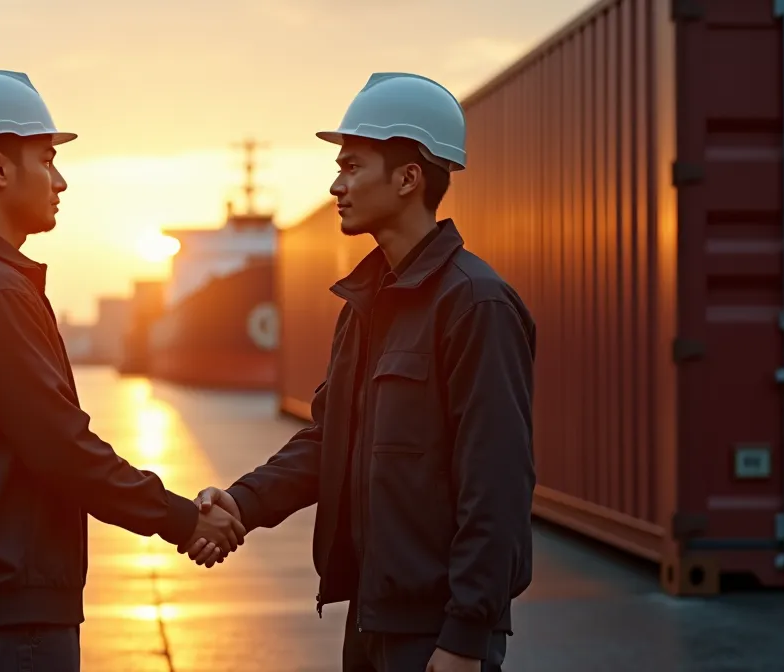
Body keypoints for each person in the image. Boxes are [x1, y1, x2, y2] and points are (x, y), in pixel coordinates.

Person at [0, 69, 245, 672]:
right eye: (47, 159)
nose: (60, 180)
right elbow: (62, 448)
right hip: (11, 622)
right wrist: (181, 518)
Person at [184, 73, 537, 672]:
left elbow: (496, 486)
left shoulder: (476, 305)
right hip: (370, 618)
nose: (335, 185)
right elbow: (328, 443)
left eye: (351, 166)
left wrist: (464, 636)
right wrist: (242, 502)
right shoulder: (367, 304)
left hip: (434, 633)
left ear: (407, 178)